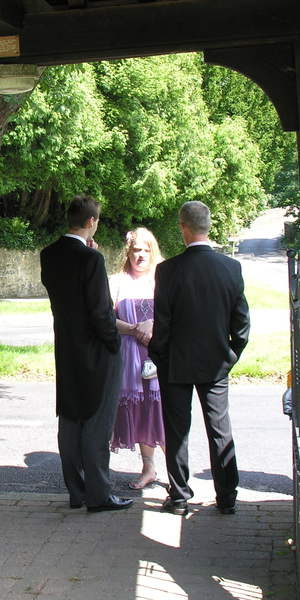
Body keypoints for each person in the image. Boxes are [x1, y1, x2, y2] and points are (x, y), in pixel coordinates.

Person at [148, 201, 250, 515]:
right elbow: (241, 324)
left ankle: (179, 496)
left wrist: (159, 356)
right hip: (216, 363)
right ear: (208, 225)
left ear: (183, 227)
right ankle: (227, 497)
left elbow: (162, 323)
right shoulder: (231, 268)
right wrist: (230, 354)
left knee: (177, 431)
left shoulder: (168, 271)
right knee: (220, 430)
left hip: (176, 363)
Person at [40, 195, 132, 513]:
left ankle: (76, 491)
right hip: (96, 350)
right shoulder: (92, 260)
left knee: (70, 417)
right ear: (91, 221)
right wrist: (114, 343)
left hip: (66, 348)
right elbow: (100, 311)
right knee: (96, 421)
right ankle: (99, 495)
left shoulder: (49, 254)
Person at [109, 227, 165, 491]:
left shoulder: (163, 279)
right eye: (135, 250)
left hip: (160, 355)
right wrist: (135, 329)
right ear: (127, 253)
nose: (141, 255)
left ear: (153, 252)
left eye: (146, 250)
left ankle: (178, 473)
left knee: (163, 412)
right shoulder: (116, 282)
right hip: (130, 355)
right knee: (141, 411)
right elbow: (106, 319)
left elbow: (176, 314)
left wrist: (152, 325)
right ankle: (148, 467)